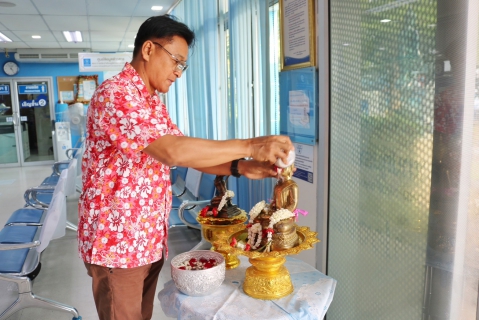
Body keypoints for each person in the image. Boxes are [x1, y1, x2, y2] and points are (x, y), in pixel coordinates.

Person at [77, 14, 294, 320]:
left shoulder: (150, 102)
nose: (178, 73)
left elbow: (187, 153)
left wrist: (241, 167)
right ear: (149, 50)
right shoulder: (117, 95)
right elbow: (171, 152)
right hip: (119, 245)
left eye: (183, 65)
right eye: (176, 61)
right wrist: (250, 145)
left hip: (146, 239)